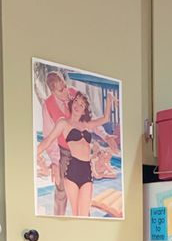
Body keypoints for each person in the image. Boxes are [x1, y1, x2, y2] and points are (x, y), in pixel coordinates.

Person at [37, 90, 116, 217]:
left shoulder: (87, 125)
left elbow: (105, 118)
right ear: (71, 103)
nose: (77, 105)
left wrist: (110, 98)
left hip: (86, 171)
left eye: (82, 105)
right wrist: (33, 154)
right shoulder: (63, 123)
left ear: (85, 110)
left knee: (84, 214)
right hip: (72, 170)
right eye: (76, 102)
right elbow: (48, 140)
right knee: (76, 213)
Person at [40, 71, 76, 216]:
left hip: (80, 151)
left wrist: (103, 136)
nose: (66, 91)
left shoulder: (75, 94)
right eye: (61, 90)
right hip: (63, 152)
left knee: (82, 192)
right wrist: (55, 162)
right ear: (53, 90)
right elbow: (49, 135)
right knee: (61, 190)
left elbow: (88, 119)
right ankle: (58, 219)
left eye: (65, 86)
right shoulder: (48, 105)